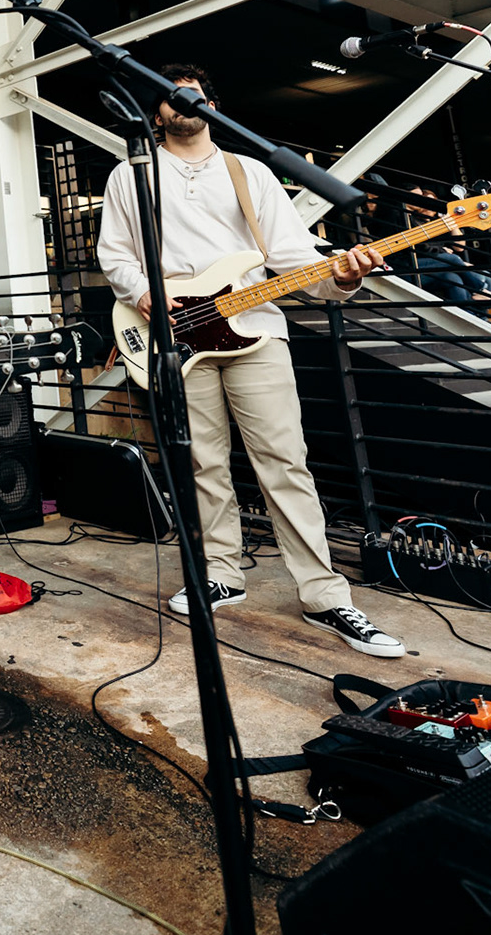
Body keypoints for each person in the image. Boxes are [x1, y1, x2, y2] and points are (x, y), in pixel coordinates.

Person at [96, 65, 403, 658]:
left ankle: (324, 595)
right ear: (157, 112)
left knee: (285, 463)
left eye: (193, 94)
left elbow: (292, 257)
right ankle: (221, 574)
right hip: (175, 334)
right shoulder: (130, 173)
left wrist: (341, 276)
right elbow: (115, 253)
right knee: (203, 463)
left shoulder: (250, 172)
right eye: (170, 96)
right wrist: (143, 292)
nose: (183, 103)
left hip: (255, 332)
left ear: (211, 105)